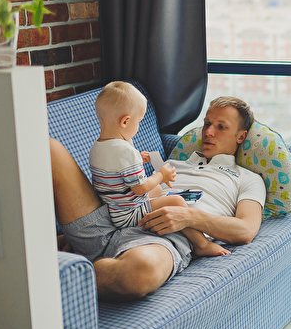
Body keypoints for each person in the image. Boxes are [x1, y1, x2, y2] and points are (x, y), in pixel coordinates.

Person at [52, 95, 265, 301]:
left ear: (241, 136)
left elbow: (246, 230)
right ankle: (77, 260)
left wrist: (188, 217)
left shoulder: (248, 178)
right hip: (112, 217)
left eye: (221, 127)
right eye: (207, 123)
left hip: (163, 237)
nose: (208, 132)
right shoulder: (171, 164)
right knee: (51, 149)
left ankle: (62, 274)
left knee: (138, 272)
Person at [89, 81, 228, 258]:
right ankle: (202, 244)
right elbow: (140, 188)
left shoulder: (97, 147)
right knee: (176, 201)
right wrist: (161, 175)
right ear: (125, 121)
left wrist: (138, 159)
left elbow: (116, 171)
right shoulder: (125, 151)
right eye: (139, 122)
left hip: (114, 208)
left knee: (157, 190)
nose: (138, 127)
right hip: (128, 214)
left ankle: (157, 206)